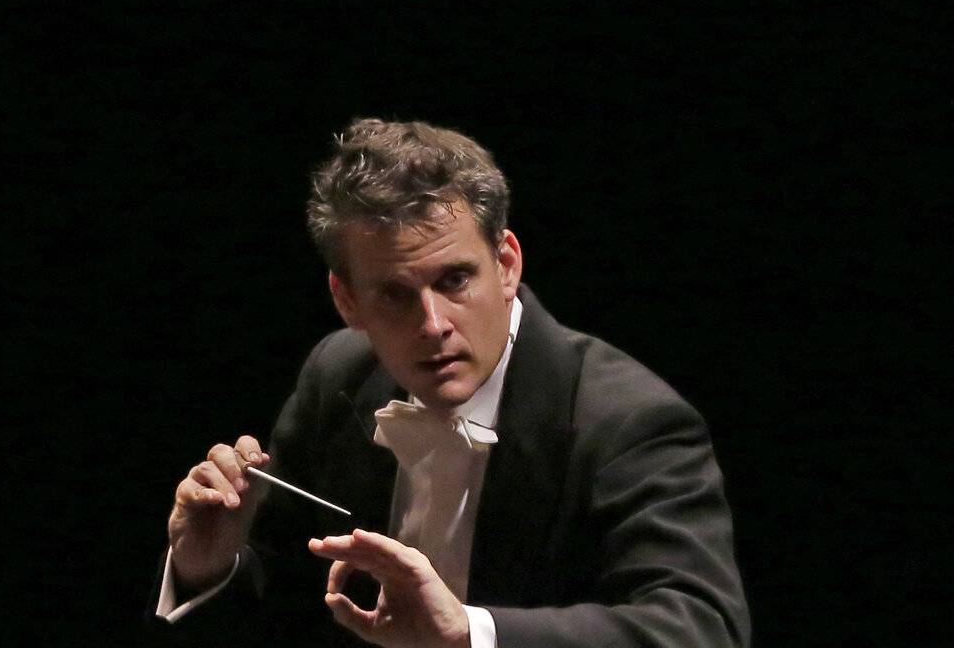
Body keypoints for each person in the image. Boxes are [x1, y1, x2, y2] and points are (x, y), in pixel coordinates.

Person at [150, 119, 750, 647]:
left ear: (506, 264)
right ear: (347, 300)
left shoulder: (628, 420)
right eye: (395, 294)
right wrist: (207, 566)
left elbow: (701, 628)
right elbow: (283, 603)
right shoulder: (336, 377)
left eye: (455, 280)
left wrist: (468, 634)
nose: (433, 325)